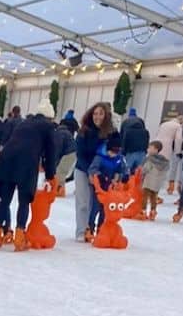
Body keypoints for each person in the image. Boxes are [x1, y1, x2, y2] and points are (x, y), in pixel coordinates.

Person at [0, 99, 56, 251]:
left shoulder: (24, 122)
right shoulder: (48, 127)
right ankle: (19, 238)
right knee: (24, 200)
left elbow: (9, 140)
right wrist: (51, 174)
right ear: (50, 117)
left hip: (6, 160)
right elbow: (51, 152)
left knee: (5, 199)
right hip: (26, 164)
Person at [73, 102, 114, 242]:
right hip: (83, 169)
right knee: (83, 202)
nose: (97, 117)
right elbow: (80, 153)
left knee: (96, 203)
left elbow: (114, 152)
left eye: (101, 114)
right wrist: (90, 172)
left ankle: (93, 228)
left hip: (101, 172)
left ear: (106, 116)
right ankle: (81, 230)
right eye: (95, 113)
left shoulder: (110, 133)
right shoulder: (84, 131)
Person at [87, 132, 128, 235]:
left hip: (110, 188)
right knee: (95, 208)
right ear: (107, 149)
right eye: (112, 152)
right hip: (99, 187)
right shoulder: (100, 157)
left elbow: (122, 169)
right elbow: (92, 169)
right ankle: (90, 228)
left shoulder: (119, 158)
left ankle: (101, 228)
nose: (113, 154)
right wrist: (100, 176)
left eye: (116, 152)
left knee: (104, 210)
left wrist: (119, 177)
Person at [154, 115, 183, 194]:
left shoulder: (164, 124)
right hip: (166, 147)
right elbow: (178, 139)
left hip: (156, 146)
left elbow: (157, 134)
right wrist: (178, 152)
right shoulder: (178, 126)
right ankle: (155, 192)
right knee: (162, 170)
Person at [139, 140, 169, 221]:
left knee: (145, 197)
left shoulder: (150, 160)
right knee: (153, 197)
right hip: (157, 183)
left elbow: (145, 169)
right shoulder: (164, 162)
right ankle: (153, 211)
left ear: (156, 150)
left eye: (150, 148)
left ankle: (143, 211)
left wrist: (141, 174)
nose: (148, 149)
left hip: (148, 181)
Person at [120, 107, 150, 173]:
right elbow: (147, 141)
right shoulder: (145, 130)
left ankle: (126, 182)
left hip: (130, 152)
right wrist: (145, 151)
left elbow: (123, 138)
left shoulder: (126, 122)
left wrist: (123, 151)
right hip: (142, 152)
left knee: (126, 170)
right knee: (139, 172)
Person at [53, 119, 77, 196]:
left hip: (69, 153)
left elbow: (58, 148)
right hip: (72, 152)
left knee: (60, 171)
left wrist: (56, 160)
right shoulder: (65, 131)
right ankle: (59, 190)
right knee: (61, 171)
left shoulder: (60, 133)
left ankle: (59, 192)